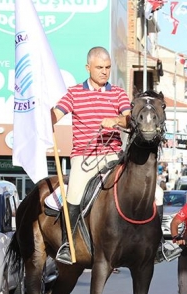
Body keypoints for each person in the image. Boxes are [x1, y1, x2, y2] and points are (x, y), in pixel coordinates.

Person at [51, 46, 131, 265]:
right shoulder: (75, 93)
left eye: (107, 67)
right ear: (88, 68)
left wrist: (115, 120)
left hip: (113, 154)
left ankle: (158, 244)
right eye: (99, 68)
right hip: (84, 157)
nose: (104, 72)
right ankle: (68, 244)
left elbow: (129, 119)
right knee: (74, 194)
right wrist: (41, 114)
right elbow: (55, 115)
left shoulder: (118, 93)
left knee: (151, 191)